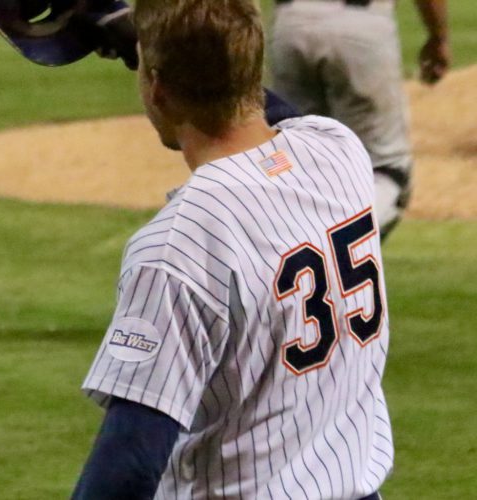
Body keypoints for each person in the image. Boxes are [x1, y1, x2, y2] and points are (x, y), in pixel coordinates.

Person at [73, 0, 392, 498]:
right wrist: (151, 49)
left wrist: (148, 49)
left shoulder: (178, 246)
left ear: (157, 89)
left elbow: (130, 462)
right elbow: (271, 112)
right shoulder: (338, 151)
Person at [269, 0, 450, 239]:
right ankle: (340, 250)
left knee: (297, 166)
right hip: (360, 28)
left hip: (289, 26)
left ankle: (278, 255)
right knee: (387, 172)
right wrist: (438, 37)